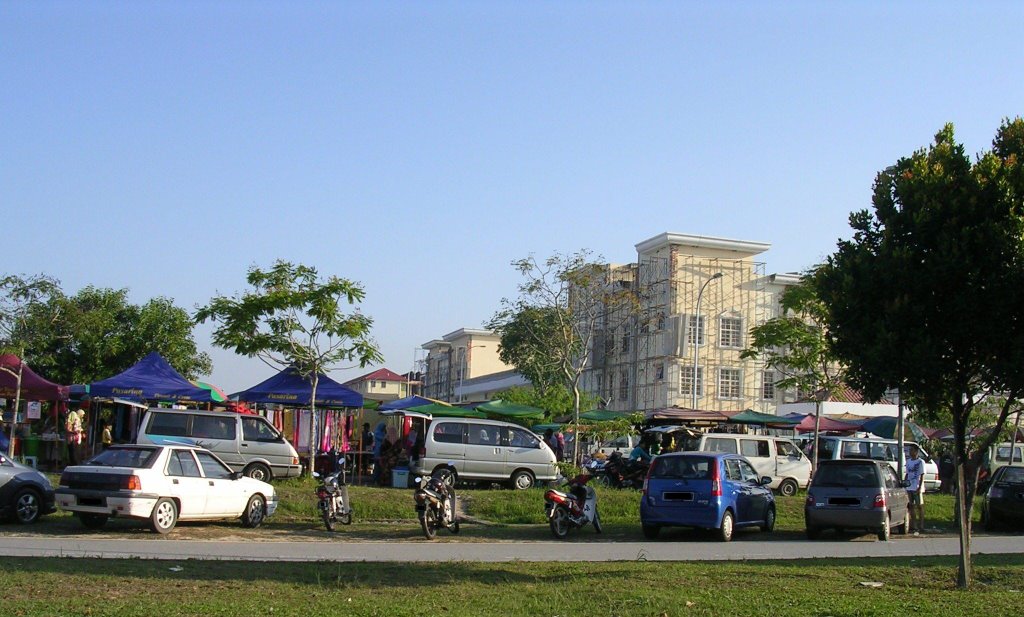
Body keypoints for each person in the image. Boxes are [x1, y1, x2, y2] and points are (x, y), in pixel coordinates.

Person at [905, 443, 925, 535]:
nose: (910, 452)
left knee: (919, 506)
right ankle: (914, 525)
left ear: (916, 451)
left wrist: (920, 487)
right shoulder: (908, 461)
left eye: (912, 450)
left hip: (917, 487)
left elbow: (922, 475)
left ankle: (921, 525)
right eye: (909, 450)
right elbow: (907, 473)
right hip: (909, 487)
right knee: (911, 506)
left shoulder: (920, 462)